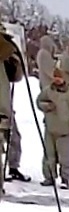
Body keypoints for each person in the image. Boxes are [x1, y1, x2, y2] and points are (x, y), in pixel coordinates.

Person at [37, 66, 69, 188]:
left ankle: (65, 179)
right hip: (50, 128)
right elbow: (39, 101)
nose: (57, 80)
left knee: (66, 157)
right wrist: (46, 106)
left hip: (66, 131)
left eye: (60, 77)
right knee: (49, 155)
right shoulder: (48, 91)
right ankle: (49, 177)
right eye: (55, 77)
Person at [1, 28, 28, 187]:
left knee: (14, 138)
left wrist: (14, 59)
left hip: (4, 108)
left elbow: (16, 77)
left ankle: (13, 166)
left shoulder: (5, 54)